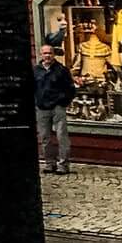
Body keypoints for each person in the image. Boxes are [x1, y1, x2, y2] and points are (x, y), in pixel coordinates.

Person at [33, 42, 76, 175]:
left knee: (61, 136)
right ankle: (49, 163)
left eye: (50, 53)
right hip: (42, 108)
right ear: (41, 55)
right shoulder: (36, 71)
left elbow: (70, 89)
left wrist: (63, 102)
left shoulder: (61, 70)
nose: (47, 56)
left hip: (58, 107)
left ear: (53, 54)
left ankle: (63, 164)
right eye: (45, 53)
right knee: (45, 137)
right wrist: (37, 101)